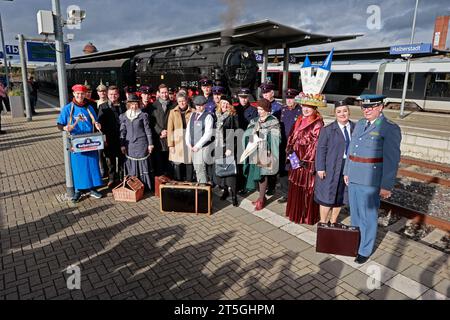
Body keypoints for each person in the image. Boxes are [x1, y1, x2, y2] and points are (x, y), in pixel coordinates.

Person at [343, 94, 401, 264]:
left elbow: (391, 160)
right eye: (364, 107)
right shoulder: (360, 124)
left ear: (380, 107)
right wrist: (347, 171)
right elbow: (351, 150)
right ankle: (354, 243)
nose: (366, 110)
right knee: (355, 215)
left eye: (371, 107)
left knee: (368, 216)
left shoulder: (390, 128)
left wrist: (386, 185)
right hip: (353, 176)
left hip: (370, 179)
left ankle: (364, 250)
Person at [56, 84, 103, 203]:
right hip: (76, 142)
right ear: (73, 94)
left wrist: (97, 125)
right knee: (78, 167)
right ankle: (78, 190)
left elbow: (95, 120)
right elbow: (59, 124)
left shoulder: (89, 107)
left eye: (82, 94)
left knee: (92, 165)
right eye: (78, 94)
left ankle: (92, 188)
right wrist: (66, 128)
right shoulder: (68, 108)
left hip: (90, 141)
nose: (80, 96)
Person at [285, 93, 325, 225]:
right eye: (304, 106)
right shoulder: (300, 119)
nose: (305, 109)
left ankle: (305, 217)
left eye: (309, 106)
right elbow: (291, 137)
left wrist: (304, 161)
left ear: (315, 108)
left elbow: (316, 145)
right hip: (295, 160)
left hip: (306, 164)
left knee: (306, 190)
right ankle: (294, 214)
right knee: (295, 188)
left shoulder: (318, 123)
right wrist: (291, 152)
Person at [315, 98, 355, 224]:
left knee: (340, 195)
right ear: (335, 114)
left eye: (345, 111)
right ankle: (323, 222)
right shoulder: (327, 130)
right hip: (331, 166)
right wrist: (320, 168)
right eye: (339, 112)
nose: (342, 114)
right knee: (327, 195)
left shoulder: (356, 128)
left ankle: (333, 222)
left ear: (349, 112)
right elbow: (321, 150)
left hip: (347, 167)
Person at [242, 99, 280, 210]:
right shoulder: (255, 120)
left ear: (267, 110)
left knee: (263, 175)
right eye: (258, 109)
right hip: (254, 151)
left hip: (266, 151)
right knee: (256, 175)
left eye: (261, 109)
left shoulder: (273, 121)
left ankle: (262, 200)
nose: (259, 111)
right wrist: (252, 134)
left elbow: (276, 138)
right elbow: (247, 133)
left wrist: (261, 135)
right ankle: (261, 197)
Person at [119, 93, 154, 190]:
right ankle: (134, 186)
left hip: (142, 144)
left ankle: (145, 187)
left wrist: (150, 144)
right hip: (129, 144)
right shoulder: (123, 116)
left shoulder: (143, 115)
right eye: (132, 104)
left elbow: (148, 130)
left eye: (136, 104)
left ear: (138, 104)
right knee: (131, 164)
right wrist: (122, 145)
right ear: (128, 104)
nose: (134, 106)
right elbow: (122, 132)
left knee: (143, 164)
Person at [98, 85, 127, 187]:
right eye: (111, 94)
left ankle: (121, 178)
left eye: (115, 94)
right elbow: (100, 126)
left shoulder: (124, 106)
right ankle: (111, 178)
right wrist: (104, 139)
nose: (113, 96)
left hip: (122, 138)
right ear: (107, 95)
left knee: (122, 159)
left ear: (118, 95)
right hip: (109, 138)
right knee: (110, 160)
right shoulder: (103, 107)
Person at [278, 88, 302, 203]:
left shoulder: (301, 111)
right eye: (287, 98)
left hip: (294, 147)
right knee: (283, 169)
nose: (289, 101)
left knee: (294, 168)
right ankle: (285, 193)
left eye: (291, 98)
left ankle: (294, 192)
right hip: (282, 145)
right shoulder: (282, 110)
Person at [214, 96, 240, 206]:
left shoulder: (232, 115)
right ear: (220, 103)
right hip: (218, 146)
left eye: (227, 103)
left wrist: (230, 148)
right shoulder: (217, 115)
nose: (224, 105)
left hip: (228, 147)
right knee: (222, 170)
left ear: (230, 105)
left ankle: (234, 195)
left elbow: (236, 133)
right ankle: (225, 191)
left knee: (230, 172)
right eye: (223, 103)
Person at [185, 95, 214, 184]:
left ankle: (203, 190)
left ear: (205, 105)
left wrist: (198, 146)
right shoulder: (192, 115)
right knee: (197, 168)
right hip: (193, 146)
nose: (199, 107)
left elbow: (208, 134)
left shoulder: (208, 116)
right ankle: (202, 187)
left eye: (201, 105)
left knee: (200, 169)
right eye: (197, 105)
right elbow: (188, 130)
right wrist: (188, 143)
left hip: (202, 147)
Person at [167, 92, 195, 181]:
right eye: (179, 101)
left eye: (183, 101)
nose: (181, 103)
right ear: (177, 102)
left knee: (189, 162)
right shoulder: (172, 112)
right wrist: (170, 145)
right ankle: (178, 183)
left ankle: (189, 182)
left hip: (189, 141)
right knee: (177, 163)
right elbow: (170, 129)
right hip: (177, 142)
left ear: (187, 101)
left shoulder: (193, 111)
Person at [235, 87, 258, 195]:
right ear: (238, 97)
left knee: (248, 163)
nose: (243, 100)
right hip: (237, 140)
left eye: (245, 97)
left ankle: (248, 185)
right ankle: (239, 184)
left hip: (248, 140)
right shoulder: (234, 109)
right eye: (241, 97)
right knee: (239, 164)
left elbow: (255, 127)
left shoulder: (253, 111)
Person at [149, 83, 174, 176]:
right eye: (162, 93)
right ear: (158, 93)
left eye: (166, 92)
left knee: (170, 162)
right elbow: (152, 122)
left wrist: (168, 131)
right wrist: (160, 131)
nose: (165, 95)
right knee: (159, 162)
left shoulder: (174, 105)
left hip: (170, 137)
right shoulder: (153, 106)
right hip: (158, 138)